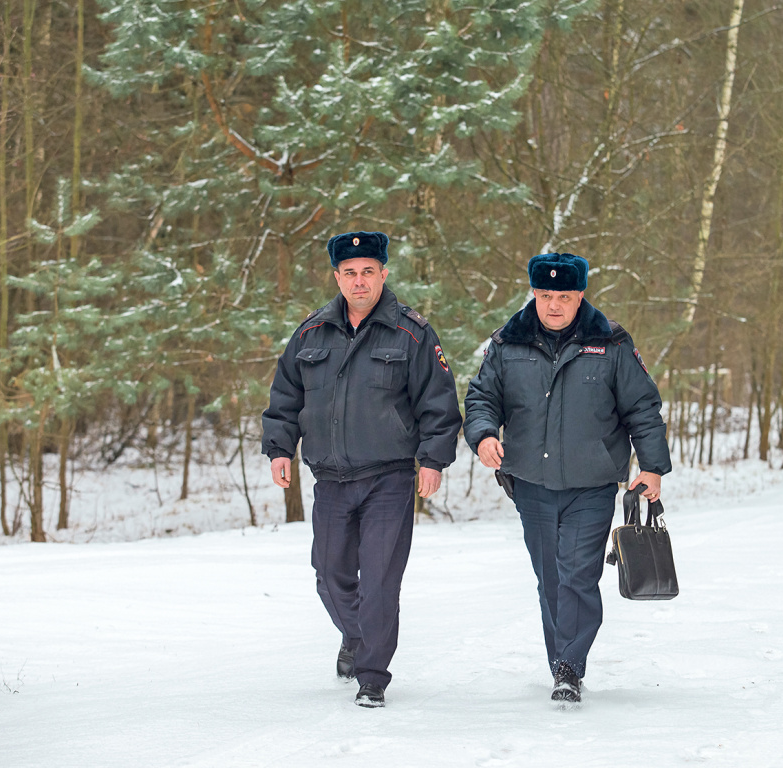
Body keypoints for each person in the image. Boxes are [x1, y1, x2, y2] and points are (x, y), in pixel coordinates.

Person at [262, 231, 462, 708]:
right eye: (349, 272)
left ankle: (372, 675)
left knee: (379, 581)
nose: (359, 281)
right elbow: (284, 398)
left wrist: (432, 460)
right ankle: (355, 637)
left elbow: (438, 403)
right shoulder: (311, 333)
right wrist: (279, 449)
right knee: (329, 575)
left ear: (383, 274)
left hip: (389, 479)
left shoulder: (412, 332)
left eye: (367, 271)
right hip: (330, 478)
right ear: (337, 277)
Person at [463, 252, 671, 705]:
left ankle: (569, 668)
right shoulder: (507, 343)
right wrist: (481, 436)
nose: (553, 305)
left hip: (591, 484)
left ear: (581, 295)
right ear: (533, 294)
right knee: (550, 579)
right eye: (544, 295)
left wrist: (652, 467)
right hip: (530, 484)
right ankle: (561, 659)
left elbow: (643, 409)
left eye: (563, 296)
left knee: (578, 575)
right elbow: (481, 398)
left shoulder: (612, 343)